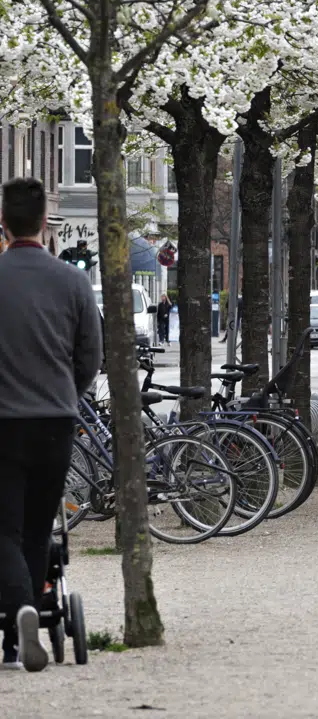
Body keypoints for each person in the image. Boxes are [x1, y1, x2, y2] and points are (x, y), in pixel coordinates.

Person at [0, 178, 102, 672]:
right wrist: (67, 394)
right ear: (45, 222)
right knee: (40, 526)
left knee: (3, 527)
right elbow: (91, 356)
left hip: (2, 424)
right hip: (55, 421)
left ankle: (18, 611)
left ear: (3, 223)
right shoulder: (73, 282)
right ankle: (27, 618)